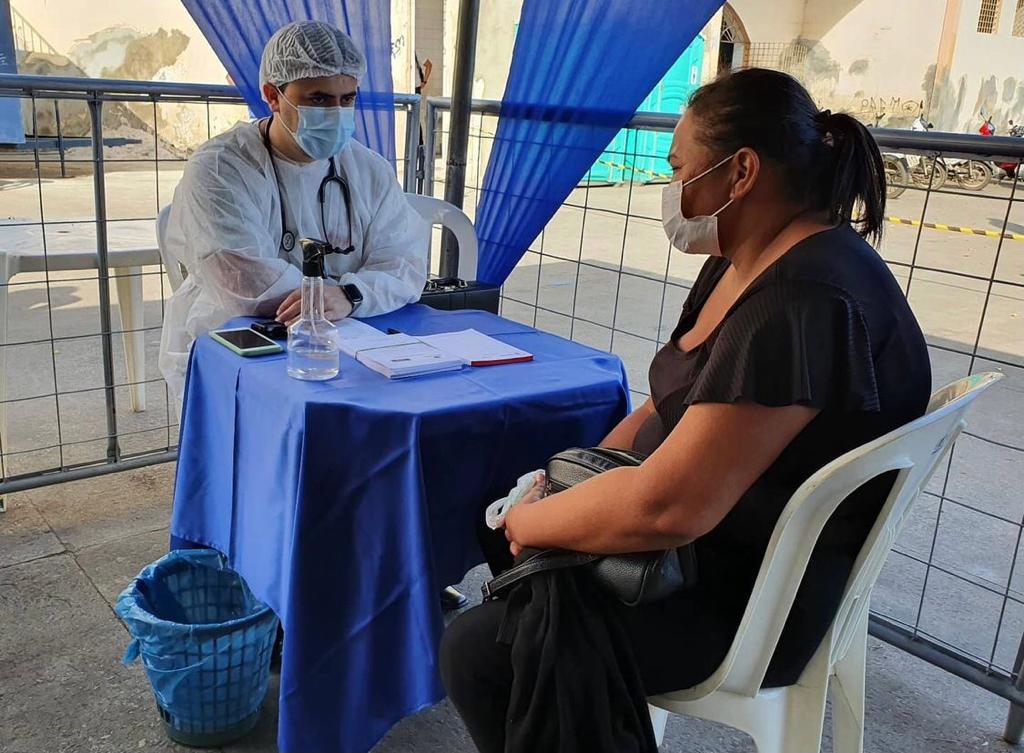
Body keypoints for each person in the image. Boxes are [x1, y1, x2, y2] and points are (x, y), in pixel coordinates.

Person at [439, 68, 931, 753]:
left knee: (483, 647)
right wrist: (569, 481)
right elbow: (668, 402)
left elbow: (669, 509)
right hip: (715, 540)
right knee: (499, 528)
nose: (670, 191)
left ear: (741, 173)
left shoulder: (803, 306)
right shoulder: (745, 258)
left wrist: (535, 518)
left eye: (679, 168)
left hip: (748, 591)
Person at [159, 21, 429, 402]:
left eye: (347, 99)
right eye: (319, 99)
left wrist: (349, 294)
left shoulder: (368, 169)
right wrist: (328, 300)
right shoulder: (221, 168)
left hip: (352, 343)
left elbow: (405, 263)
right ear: (272, 95)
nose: (336, 113)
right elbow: (243, 279)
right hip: (245, 347)